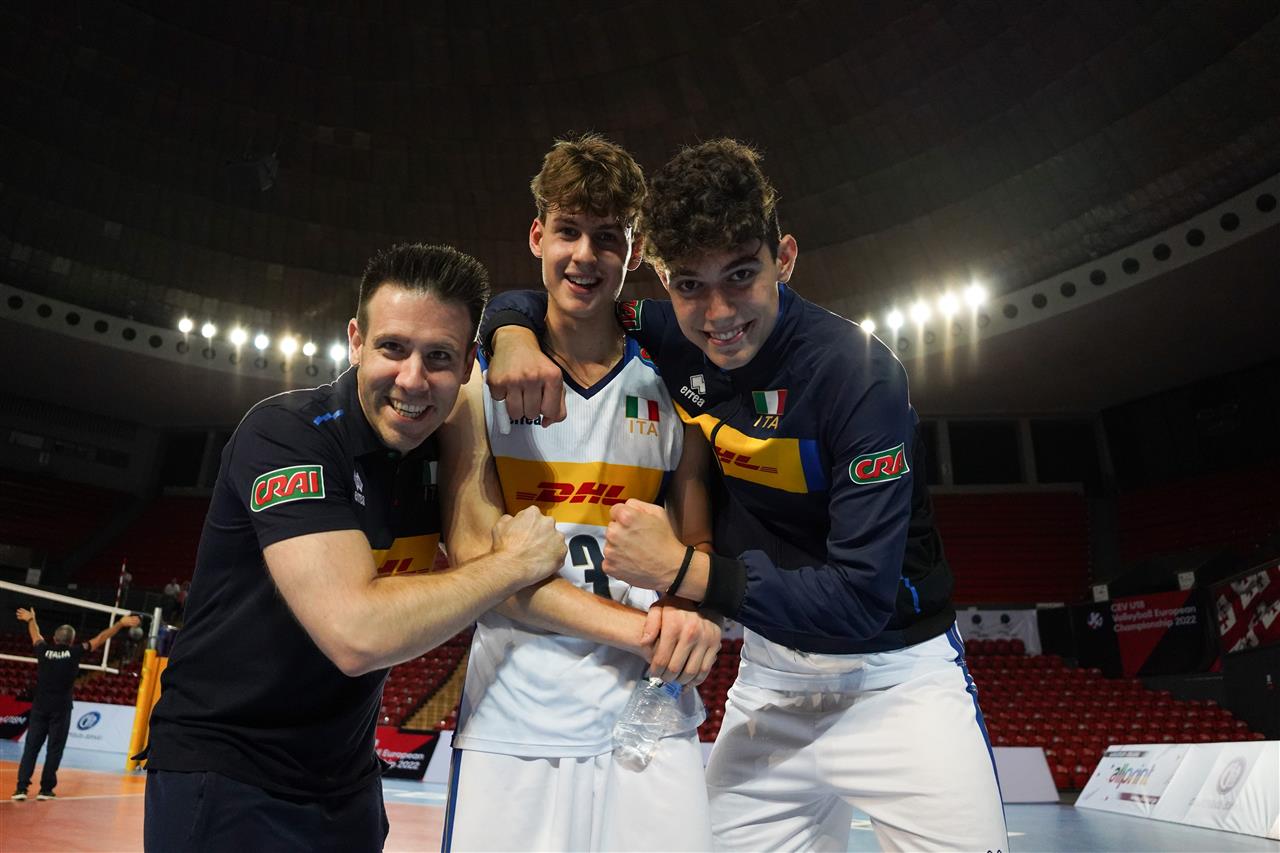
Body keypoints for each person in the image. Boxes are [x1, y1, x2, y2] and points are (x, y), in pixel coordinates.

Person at [482, 140, 1009, 852]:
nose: (719, 313)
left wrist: (683, 570)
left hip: (899, 685)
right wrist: (510, 333)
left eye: (740, 275)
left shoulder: (858, 375)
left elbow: (861, 601)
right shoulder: (673, 336)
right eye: (690, 284)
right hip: (768, 684)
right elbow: (564, 301)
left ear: (783, 258)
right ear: (663, 279)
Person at [142, 243, 568, 852]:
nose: (413, 380)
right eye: (393, 348)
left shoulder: (441, 450)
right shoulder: (287, 435)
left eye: (439, 356)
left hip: (346, 785)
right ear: (355, 342)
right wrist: (513, 564)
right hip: (228, 773)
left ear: (469, 364)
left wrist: (513, 332)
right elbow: (355, 635)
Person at [438, 134, 720, 851]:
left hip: (651, 714)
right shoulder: (478, 383)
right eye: (567, 231)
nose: (584, 256)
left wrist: (688, 613)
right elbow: (476, 566)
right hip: (514, 716)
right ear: (537, 236)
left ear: (634, 251)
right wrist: (646, 631)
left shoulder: (675, 383)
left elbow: (695, 540)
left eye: (607, 237)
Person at [12, 607, 141, 801]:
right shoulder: (75, 652)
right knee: (54, 749)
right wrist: (120, 624)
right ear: (71, 641)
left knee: (31, 748)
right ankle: (45, 790)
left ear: (54, 639)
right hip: (61, 708)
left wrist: (31, 620)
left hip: (40, 707)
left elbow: (35, 635)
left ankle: (21, 788)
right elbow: (100, 638)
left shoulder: (43, 650)